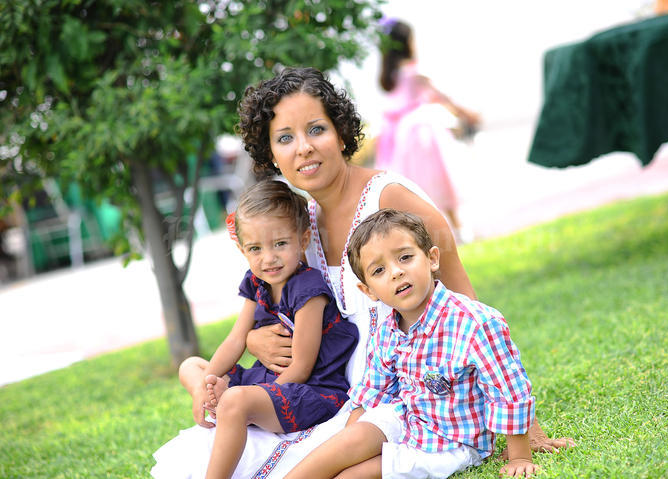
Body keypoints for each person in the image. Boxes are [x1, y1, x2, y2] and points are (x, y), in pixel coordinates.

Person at [151, 66, 572, 479]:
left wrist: (526, 430)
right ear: (271, 153)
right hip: (325, 389)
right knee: (215, 449)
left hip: (401, 392)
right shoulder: (296, 225)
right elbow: (279, 302)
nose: (303, 148)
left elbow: (469, 308)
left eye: (316, 129)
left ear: (340, 131)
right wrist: (256, 338)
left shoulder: (392, 202)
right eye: (285, 138)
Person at [286, 209, 540, 479]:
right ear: (369, 290)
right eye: (379, 270)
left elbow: (508, 391)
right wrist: (351, 442)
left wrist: (520, 456)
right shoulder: (388, 330)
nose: (396, 272)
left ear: (431, 259)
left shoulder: (475, 323)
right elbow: (374, 390)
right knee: (344, 445)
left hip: (452, 442)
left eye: (405, 257)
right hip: (406, 418)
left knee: (352, 475)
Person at [174, 179, 358, 479]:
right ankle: (212, 398)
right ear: (242, 249)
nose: (268, 258)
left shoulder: (308, 289)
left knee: (235, 400)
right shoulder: (256, 282)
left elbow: (301, 367)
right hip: (268, 381)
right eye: (255, 248)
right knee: (191, 365)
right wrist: (209, 383)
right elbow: (236, 340)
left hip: (309, 390)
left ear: (303, 239)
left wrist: (251, 397)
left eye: (280, 244)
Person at [374, 19, 481, 243]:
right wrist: (466, 113)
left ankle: (432, 236)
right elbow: (442, 96)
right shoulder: (414, 72)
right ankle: (460, 230)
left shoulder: (389, 77)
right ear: (408, 43)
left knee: (418, 187)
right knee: (442, 179)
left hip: (400, 138)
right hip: (422, 133)